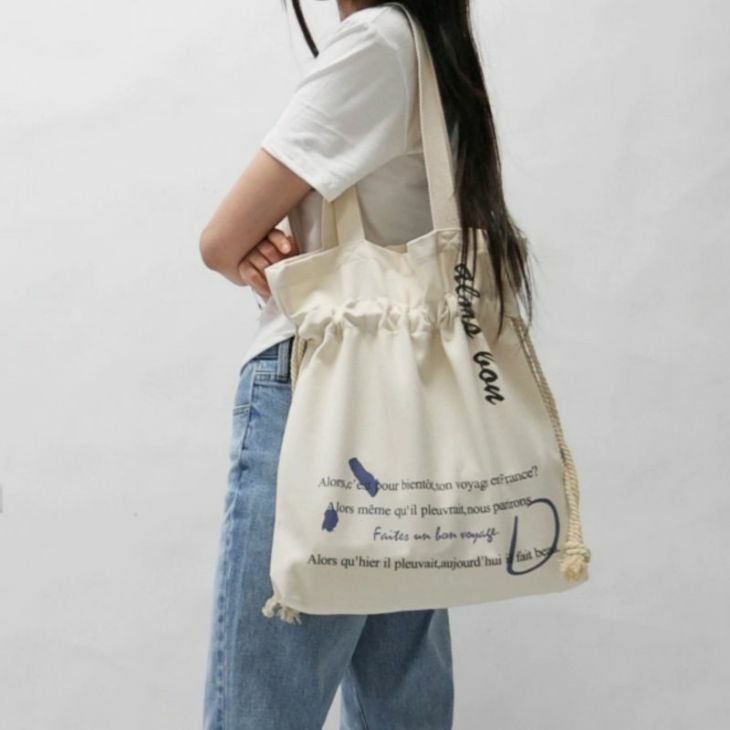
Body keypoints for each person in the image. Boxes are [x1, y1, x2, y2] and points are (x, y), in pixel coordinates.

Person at [198, 2, 534, 728]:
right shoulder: (430, 47)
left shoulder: (375, 43)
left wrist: (247, 249)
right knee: (402, 704)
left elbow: (220, 240)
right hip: (405, 415)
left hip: (318, 398)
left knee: (261, 706)